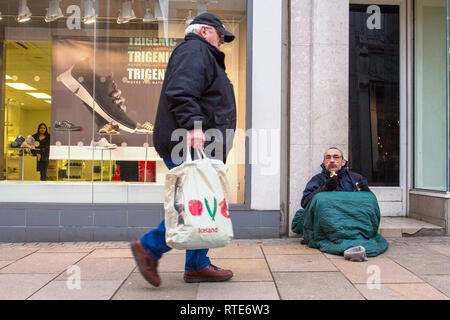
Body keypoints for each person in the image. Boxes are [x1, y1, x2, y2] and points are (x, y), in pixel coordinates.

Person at [131, 12, 237, 287]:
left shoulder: (200, 52)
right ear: (204, 31)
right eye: (220, 35)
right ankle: (150, 248)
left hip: (195, 142)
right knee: (193, 204)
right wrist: (193, 125)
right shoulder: (195, 50)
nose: (223, 42)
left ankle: (197, 265)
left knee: (200, 200)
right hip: (187, 141)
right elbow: (180, 90)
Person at [301, 147, 371, 208]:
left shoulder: (356, 178)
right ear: (324, 162)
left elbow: (370, 202)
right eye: (328, 157)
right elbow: (305, 203)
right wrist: (325, 188)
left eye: (336, 157)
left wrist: (366, 191)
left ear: (343, 162)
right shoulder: (317, 179)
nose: (331, 161)